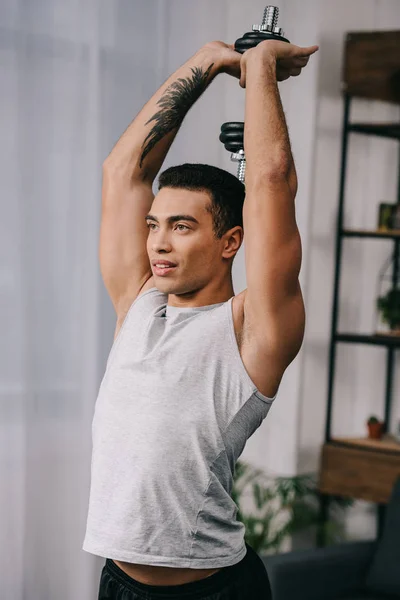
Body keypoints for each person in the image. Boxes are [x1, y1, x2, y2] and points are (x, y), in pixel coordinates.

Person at [82, 38, 318, 600]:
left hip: (210, 591)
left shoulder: (254, 330)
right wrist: (210, 60)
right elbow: (122, 173)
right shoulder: (138, 303)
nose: (158, 243)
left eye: (182, 227)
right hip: (118, 583)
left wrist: (259, 66)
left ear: (231, 241)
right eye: (154, 225)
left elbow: (270, 182)